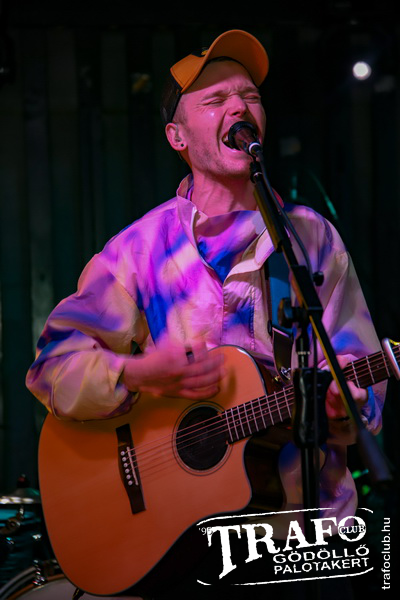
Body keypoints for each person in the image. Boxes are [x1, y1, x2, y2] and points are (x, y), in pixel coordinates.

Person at [26, 30, 385, 599]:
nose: (240, 106)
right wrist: (137, 374)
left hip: (306, 537)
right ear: (178, 136)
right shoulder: (137, 251)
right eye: (216, 100)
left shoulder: (310, 238)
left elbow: (357, 377)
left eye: (250, 96)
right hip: (183, 548)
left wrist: (344, 410)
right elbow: (52, 368)